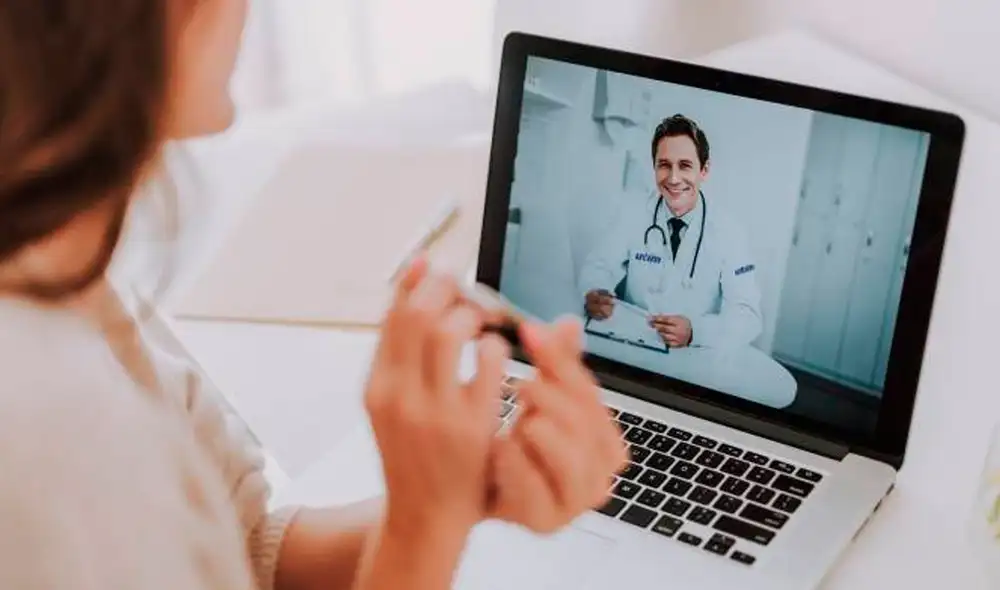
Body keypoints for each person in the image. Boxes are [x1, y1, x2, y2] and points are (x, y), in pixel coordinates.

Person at [0, 3, 626, 590]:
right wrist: (420, 533)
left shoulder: (69, 276)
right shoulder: (50, 429)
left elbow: (247, 546)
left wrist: (454, 493)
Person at [578, 114, 763, 350]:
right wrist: (594, 292)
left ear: (704, 171)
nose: (674, 179)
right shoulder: (632, 213)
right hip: (634, 345)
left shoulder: (730, 233)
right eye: (664, 165)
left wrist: (696, 331)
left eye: (685, 166)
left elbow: (748, 315)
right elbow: (599, 266)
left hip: (696, 357)